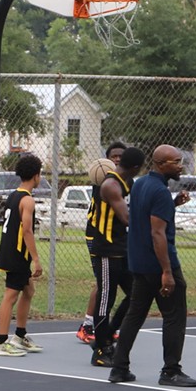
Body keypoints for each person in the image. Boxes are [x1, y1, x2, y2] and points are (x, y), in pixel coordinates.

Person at [107, 145, 196, 387]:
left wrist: (173, 204)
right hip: (159, 265)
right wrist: (167, 272)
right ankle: (171, 371)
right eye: (176, 161)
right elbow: (157, 234)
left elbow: (144, 216)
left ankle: (119, 368)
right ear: (161, 164)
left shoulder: (140, 185)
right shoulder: (158, 191)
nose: (181, 165)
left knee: (134, 315)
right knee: (174, 317)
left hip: (139, 265)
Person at [87, 147, 145, 367]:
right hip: (107, 250)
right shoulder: (111, 184)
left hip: (123, 249)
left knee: (135, 295)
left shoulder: (127, 183)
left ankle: (108, 333)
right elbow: (128, 218)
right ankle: (101, 350)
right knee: (105, 299)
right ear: (136, 167)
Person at [0, 153, 44, 357]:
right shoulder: (28, 200)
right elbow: (27, 230)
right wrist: (36, 260)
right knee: (11, 295)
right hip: (17, 255)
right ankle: (1, 342)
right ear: (36, 176)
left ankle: (19, 336)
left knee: (28, 291)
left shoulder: (14, 195)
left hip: (11, 251)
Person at [78, 141, 126, 343]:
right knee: (102, 282)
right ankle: (88, 326)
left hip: (115, 241)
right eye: (113, 156)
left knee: (111, 283)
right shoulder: (103, 181)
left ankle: (103, 327)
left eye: (120, 156)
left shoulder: (122, 182)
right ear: (106, 160)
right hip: (97, 237)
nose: (117, 159)